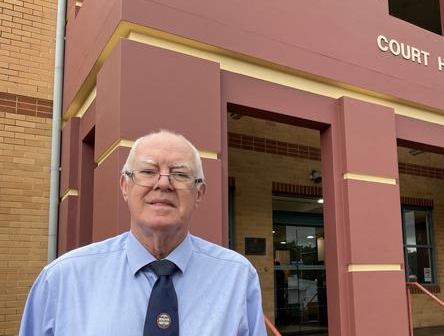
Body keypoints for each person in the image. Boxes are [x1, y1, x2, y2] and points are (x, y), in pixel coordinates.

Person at [20, 130, 267, 335]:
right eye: (148, 172)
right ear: (125, 186)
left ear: (199, 193)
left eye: (180, 174)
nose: (163, 183)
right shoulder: (62, 279)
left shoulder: (237, 277)